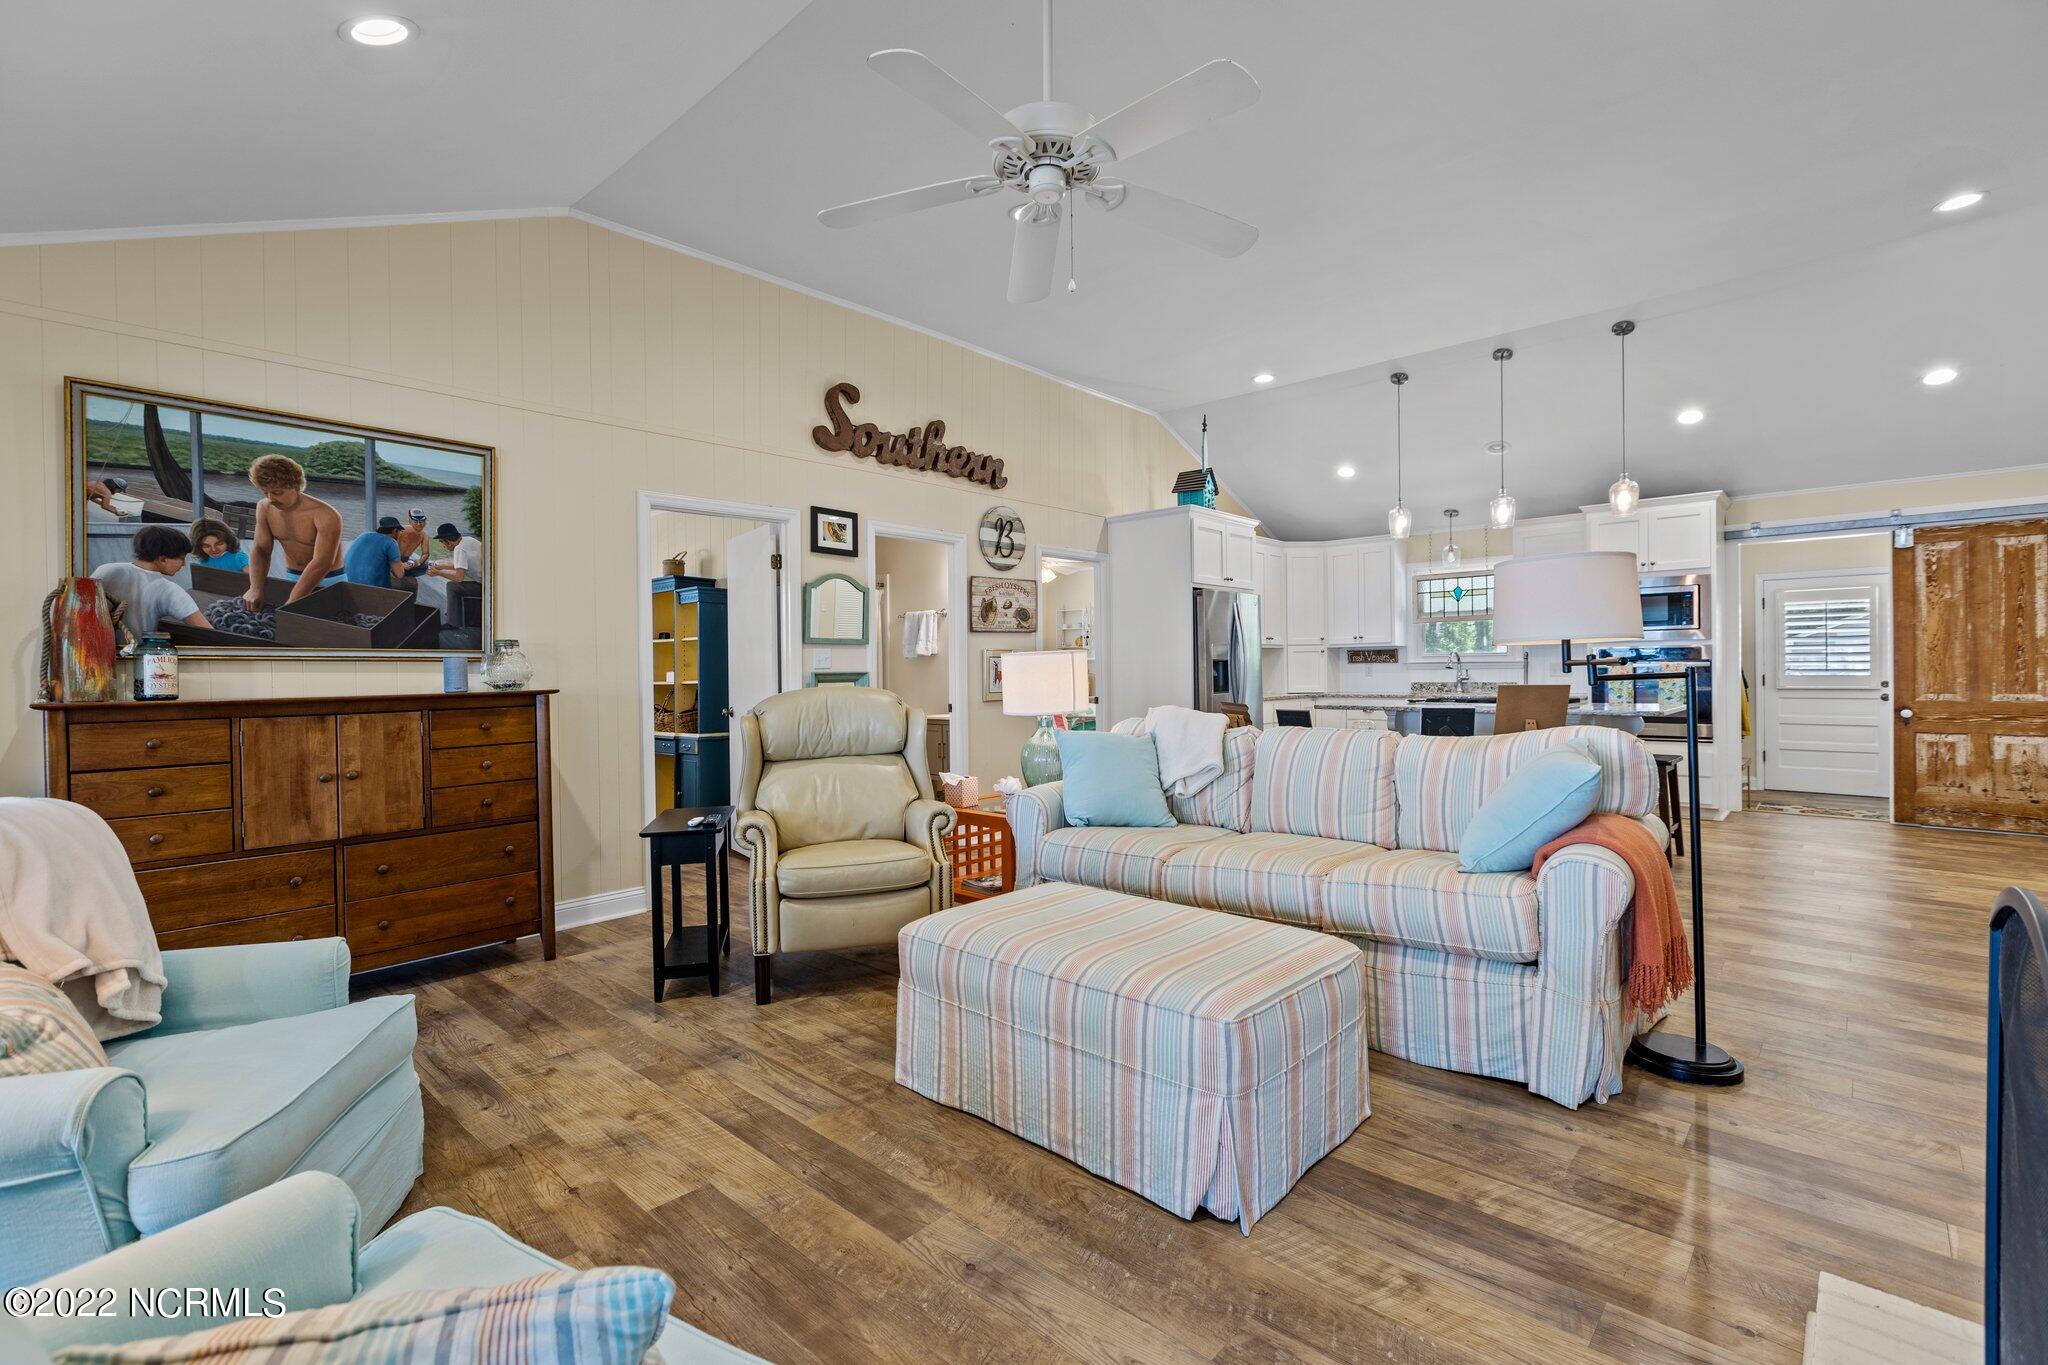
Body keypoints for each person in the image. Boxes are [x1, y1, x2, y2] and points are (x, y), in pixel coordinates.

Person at [243, 454, 342, 609]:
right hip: (292, 576)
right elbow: (261, 549)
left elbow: (323, 562)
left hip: (330, 580)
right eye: (265, 492)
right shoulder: (264, 507)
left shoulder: (326, 514)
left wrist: (293, 601)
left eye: (277, 492)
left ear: (296, 486)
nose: (270, 498)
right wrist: (255, 587)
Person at [92, 526, 209, 633]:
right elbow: (208, 632)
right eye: (181, 558)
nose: (184, 564)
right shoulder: (170, 591)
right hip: (138, 652)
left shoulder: (105, 570)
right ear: (163, 559)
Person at [343, 516, 410, 587]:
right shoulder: (391, 542)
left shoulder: (364, 535)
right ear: (395, 530)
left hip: (348, 583)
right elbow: (399, 574)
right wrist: (402, 566)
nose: (400, 534)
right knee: (409, 583)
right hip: (373, 589)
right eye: (400, 531)